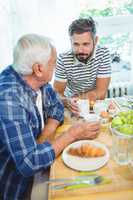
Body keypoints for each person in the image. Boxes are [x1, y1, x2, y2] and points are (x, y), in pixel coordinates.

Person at [0, 34, 100, 200]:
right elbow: (29, 163)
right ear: (39, 69)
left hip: (42, 159)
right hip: (21, 184)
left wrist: (48, 131)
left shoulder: (32, 77)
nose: (54, 67)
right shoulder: (8, 99)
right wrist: (72, 134)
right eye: (53, 64)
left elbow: (56, 104)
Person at [54, 17, 111, 115]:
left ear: (95, 40)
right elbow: (56, 93)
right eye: (76, 44)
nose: (80, 50)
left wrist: (77, 99)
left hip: (95, 105)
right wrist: (67, 102)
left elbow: (101, 92)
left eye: (85, 44)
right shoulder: (63, 59)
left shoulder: (103, 54)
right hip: (71, 106)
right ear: (70, 41)